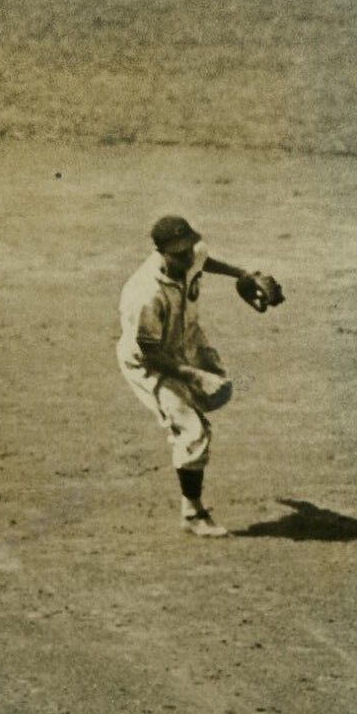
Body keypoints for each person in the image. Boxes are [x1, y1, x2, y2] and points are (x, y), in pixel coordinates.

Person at [117, 216, 282, 537]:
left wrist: (242, 274)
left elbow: (204, 261)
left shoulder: (193, 253)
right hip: (149, 364)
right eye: (178, 254)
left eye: (189, 248)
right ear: (160, 252)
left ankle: (188, 409)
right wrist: (193, 376)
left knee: (217, 390)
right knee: (193, 432)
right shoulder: (144, 294)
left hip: (187, 344)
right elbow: (150, 353)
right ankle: (192, 513)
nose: (188, 258)